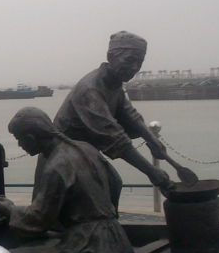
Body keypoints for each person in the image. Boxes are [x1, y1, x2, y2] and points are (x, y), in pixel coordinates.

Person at [0, 107, 134, 253]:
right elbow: (116, 182)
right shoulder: (86, 148)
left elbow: (39, 219)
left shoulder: (57, 165)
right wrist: (106, 217)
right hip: (117, 240)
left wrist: (11, 209)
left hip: (89, 247)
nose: (20, 145)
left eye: (19, 139)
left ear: (31, 138)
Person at [54, 30, 173, 196]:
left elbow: (129, 114)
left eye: (139, 62)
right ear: (110, 57)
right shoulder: (90, 89)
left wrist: (151, 139)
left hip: (86, 153)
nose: (134, 68)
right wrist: (151, 172)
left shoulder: (114, 83)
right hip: (63, 158)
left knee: (112, 183)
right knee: (105, 188)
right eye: (129, 60)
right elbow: (113, 137)